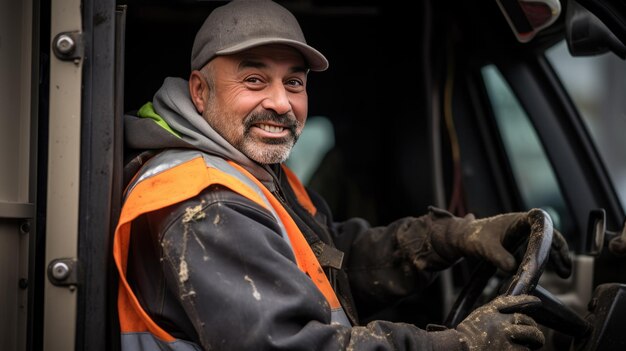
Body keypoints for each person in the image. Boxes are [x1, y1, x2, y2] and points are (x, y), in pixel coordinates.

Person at [113, 0, 572, 350]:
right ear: (199, 91)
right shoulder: (203, 202)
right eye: (254, 81)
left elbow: (334, 260)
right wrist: (454, 343)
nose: (280, 102)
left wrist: (449, 237)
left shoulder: (255, 175)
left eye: (293, 83)